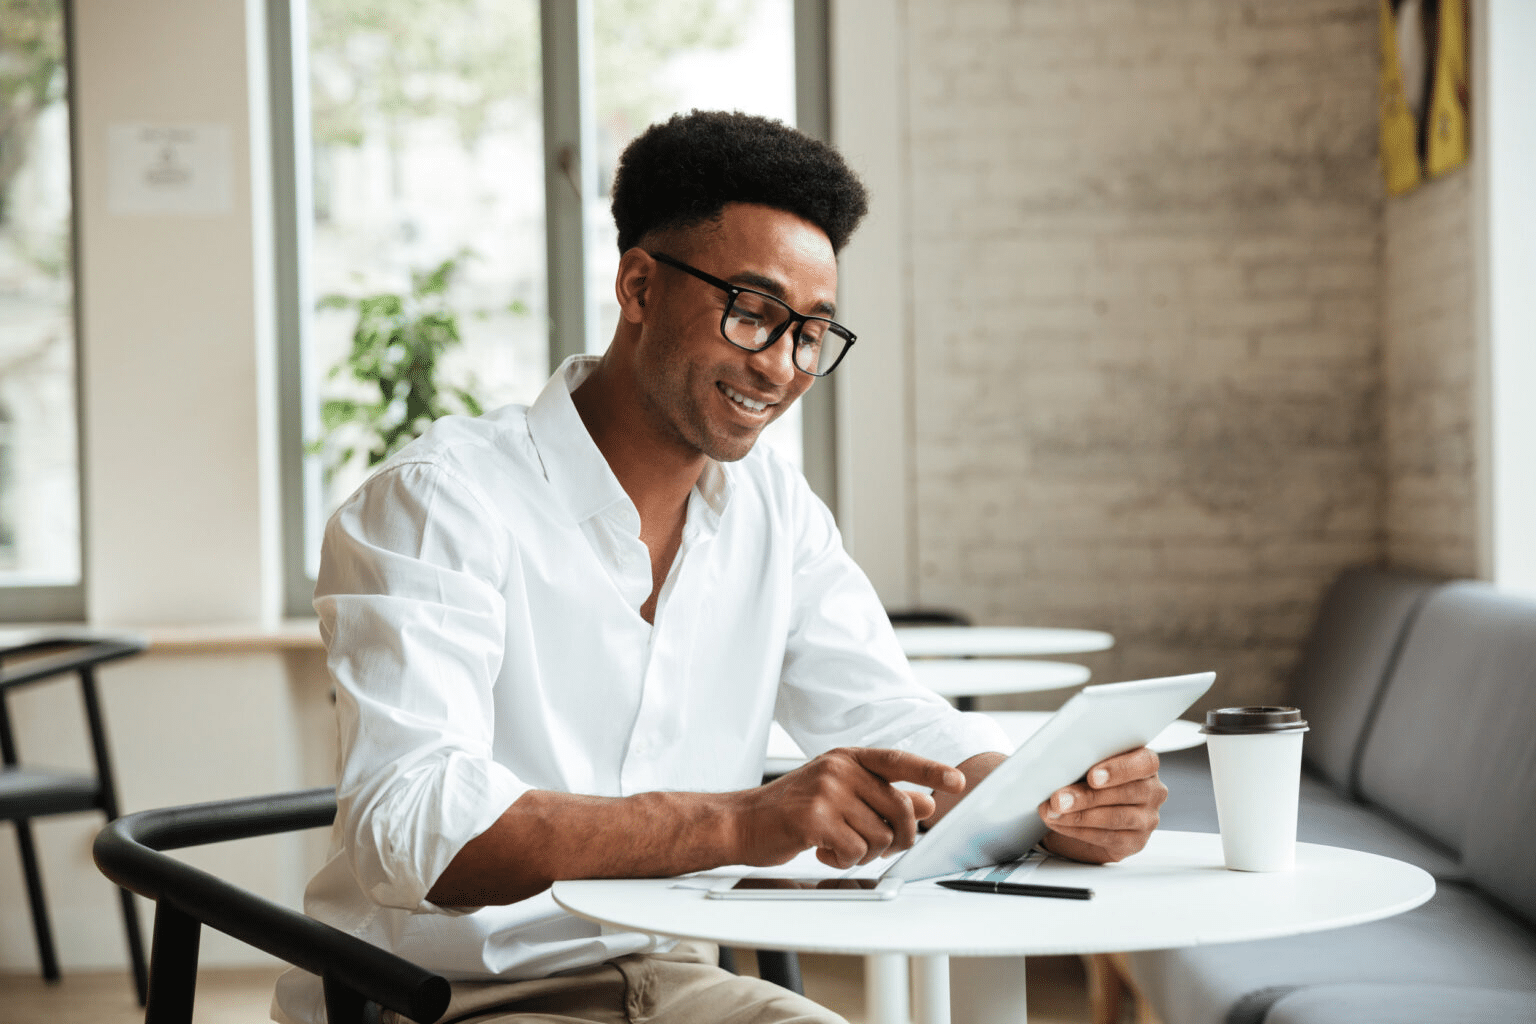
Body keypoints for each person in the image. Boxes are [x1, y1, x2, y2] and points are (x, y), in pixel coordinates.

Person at [274, 110, 1166, 1024]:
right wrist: (742, 822)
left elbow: (883, 709)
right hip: (435, 1000)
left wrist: (1047, 801)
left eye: (811, 333)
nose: (781, 367)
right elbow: (413, 829)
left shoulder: (773, 511)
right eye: (753, 313)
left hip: (666, 983)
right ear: (639, 286)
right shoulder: (441, 500)